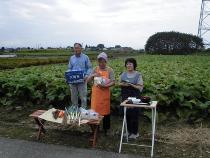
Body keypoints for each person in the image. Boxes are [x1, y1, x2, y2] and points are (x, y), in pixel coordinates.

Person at [87, 52, 115, 135]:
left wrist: (106, 85)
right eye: (100, 62)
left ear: (106, 61)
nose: (101, 63)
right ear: (98, 62)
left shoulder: (110, 70)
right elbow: (88, 80)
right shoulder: (95, 69)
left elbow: (113, 82)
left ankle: (106, 129)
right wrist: (93, 75)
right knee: (95, 111)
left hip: (105, 93)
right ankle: (96, 129)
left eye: (103, 62)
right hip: (96, 94)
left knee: (105, 112)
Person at [119, 58, 143, 139]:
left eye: (130, 64)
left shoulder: (138, 74)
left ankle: (135, 133)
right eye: (127, 64)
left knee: (134, 114)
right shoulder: (123, 74)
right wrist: (123, 84)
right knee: (127, 114)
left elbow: (140, 87)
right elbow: (120, 83)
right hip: (125, 95)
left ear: (134, 65)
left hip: (135, 95)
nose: (129, 65)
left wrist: (132, 85)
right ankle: (128, 131)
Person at [68, 43, 92, 109]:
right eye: (75, 48)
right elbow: (69, 68)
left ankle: (83, 110)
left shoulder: (85, 57)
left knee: (83, 96)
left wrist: (87, 75)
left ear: (81, 49)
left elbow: (89, 67)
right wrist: (68, 74)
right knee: (73, 96)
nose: (76, 49)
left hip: (82, 80)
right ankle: (74, 109)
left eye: (78, 48)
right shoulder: (71, 58)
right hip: (73, 80)